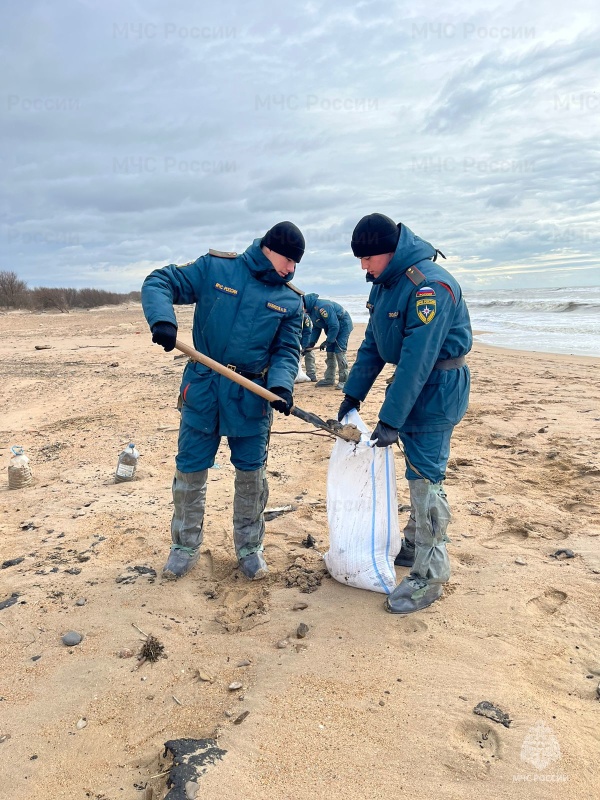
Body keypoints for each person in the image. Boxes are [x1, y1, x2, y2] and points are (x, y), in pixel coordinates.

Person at [141, 221, 305, 581]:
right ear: (268, 247)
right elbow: (159, 281)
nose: (292, 268)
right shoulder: (217, 269)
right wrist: (163, 321)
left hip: (252, 395)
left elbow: (287, 350)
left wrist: (281, 387)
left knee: (251, 476)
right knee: (191, 470)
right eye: (288, 259)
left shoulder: (291, 301)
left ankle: (249, 549)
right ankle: (184, 547)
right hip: (203, 388)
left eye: (297, 263)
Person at [338, 213, 471, 615]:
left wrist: (391, 420)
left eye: (368, 258)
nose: (363, 266)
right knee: (415, 468)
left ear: (389, 251)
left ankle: (430, 575)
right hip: (412, 385)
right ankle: (414, 542)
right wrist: (353, 395)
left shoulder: (430, 286)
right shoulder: (386, 285)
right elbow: (374, 344)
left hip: (438, 388)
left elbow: (418, 357)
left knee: (427, 476)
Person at [302, 293, 354, 389]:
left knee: (339, 351)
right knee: (330, 352)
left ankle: (344, 380)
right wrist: (311, 343)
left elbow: (334, 325)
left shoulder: (324, 307)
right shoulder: (311, 311)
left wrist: (328, 340)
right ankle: (329, 379)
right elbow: (316, 328)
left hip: (342, 326)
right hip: (331, 329)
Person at [300, 305, 317, 382]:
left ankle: (311, 374)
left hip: (304, 339)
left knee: (309, 354)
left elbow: (307, 332)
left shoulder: (305, 318)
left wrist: (304, 346)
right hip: (292, 339)